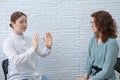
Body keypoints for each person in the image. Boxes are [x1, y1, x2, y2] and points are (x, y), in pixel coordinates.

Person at [3, 11, 52, 80]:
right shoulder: (8, 42)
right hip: (18, 77)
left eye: (26, 22)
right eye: (21, 22)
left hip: (35, 76)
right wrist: (32, 49)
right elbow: (15, 60)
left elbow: (42, 54)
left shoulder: (30, 40)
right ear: (13, 24)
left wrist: (48, 47)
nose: (25, 24)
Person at [77, 10, 119, 80]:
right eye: (91, 22)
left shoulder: (112, 44)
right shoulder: (93, 39)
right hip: (92, 76)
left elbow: (107, 70)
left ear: (103, 24)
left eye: (95, 23)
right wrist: (85, 76)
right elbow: (89, 59)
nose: (92, 25)